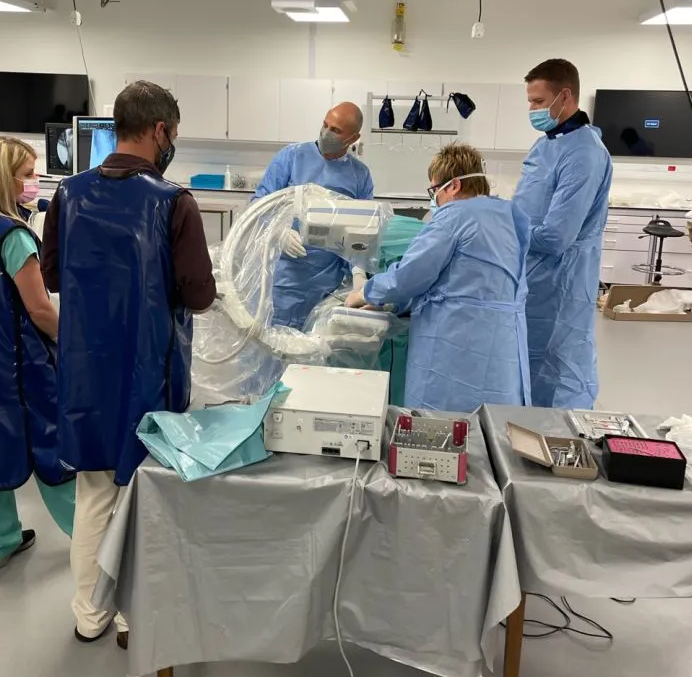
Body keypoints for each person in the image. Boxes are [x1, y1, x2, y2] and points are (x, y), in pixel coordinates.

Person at [42, 80, 216, 644]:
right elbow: (198, 295)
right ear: (161, 130)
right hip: (149, 375)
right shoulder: (173, 202)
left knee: (94, 494)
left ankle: (88, 614)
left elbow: (50, 276)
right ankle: (131, 616)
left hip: (86, 372)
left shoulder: (67, 196)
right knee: (143, 494)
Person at [0, 137, 74, 569]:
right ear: (1, 180)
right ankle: (87, 535)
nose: (34, 181)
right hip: (20, 362)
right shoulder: (15, 237)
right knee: (49, 444)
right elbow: (40, 309)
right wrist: (74, 345)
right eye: (26, 174)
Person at [345, 143, 531, 413]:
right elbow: (462, 279)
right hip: (503, 342)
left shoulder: (453, 216)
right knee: (490, 426)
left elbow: (409, 276)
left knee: (441, 427)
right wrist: (398, 304)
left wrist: (365, 292)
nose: (435, 198)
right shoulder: (507, 215)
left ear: (453, 185)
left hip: (458, 341)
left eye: (434, 190)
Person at [513, 58, 612, 408]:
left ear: (565, 96)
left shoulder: (585, 153)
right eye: (530, 101)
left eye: (538, 102)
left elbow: (557, 237)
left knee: (556, 369)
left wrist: (506, 229)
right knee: (526, 360)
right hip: (531, 275)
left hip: (561, 282)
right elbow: (526, 206)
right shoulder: (547, 143)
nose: (532, 109)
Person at [254, 101, 374, 328]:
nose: (326, 132)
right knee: (275, 347)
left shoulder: (359, 176)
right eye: (325, 124)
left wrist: (359, 272)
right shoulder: (291, 157)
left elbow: (362, 230)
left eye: (336, 130)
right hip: (285, 276)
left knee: (314, 354)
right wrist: (278, 232)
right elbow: (259, 204)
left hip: (328, 282)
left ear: (352, 139)